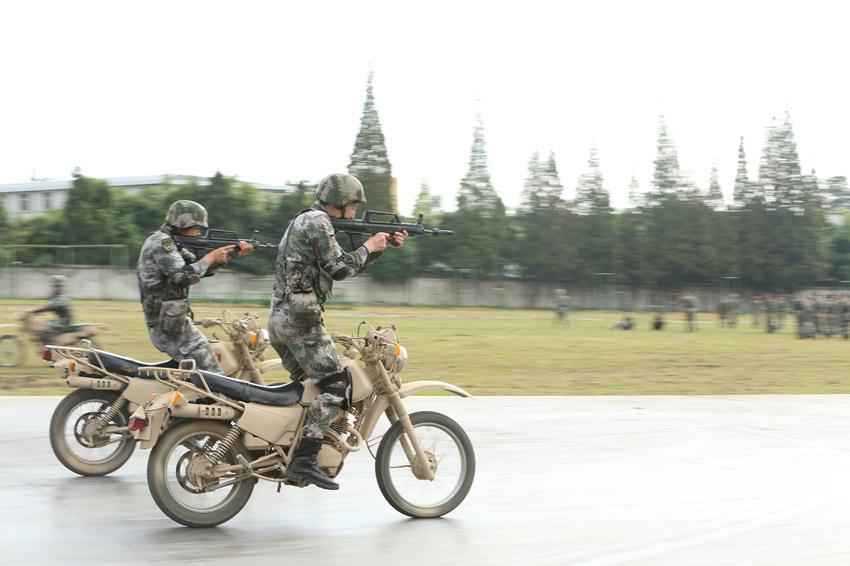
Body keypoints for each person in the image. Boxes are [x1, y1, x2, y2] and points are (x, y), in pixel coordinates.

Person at [268, 173, 407, 490]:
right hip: (298, 321)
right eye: (354, 205)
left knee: (306, 391)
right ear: (340, 202)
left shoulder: (306, 220)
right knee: (337, 384)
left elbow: (346, 264)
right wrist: (370, 245)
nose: (356, 212)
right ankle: (304, 461)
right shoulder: (318, 222)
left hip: (281, 319)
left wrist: (378, 247)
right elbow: (341, 268)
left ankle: (286, 451)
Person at [137, 200, 253, 371]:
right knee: (213, 373)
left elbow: (197, 269)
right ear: (183, 223)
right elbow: (182, 277)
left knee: (201, 372)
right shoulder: (162, 242)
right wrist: (211, 257)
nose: (199, 232)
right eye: (197, 227)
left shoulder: (173, 244)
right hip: (165, 325)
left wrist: (228, 256)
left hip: (172, 321)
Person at [30, 275, 73, 344]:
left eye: (57, 286)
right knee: (42, 326)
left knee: (47, 330)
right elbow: (50, 306)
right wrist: (38, 311)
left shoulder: (63, 296)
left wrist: (36, 310)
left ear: (62, 286)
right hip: (61, 319)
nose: (55, 288)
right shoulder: (56, 295)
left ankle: (52, 350)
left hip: (65, 320)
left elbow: (53, 305)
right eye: (55, 286)